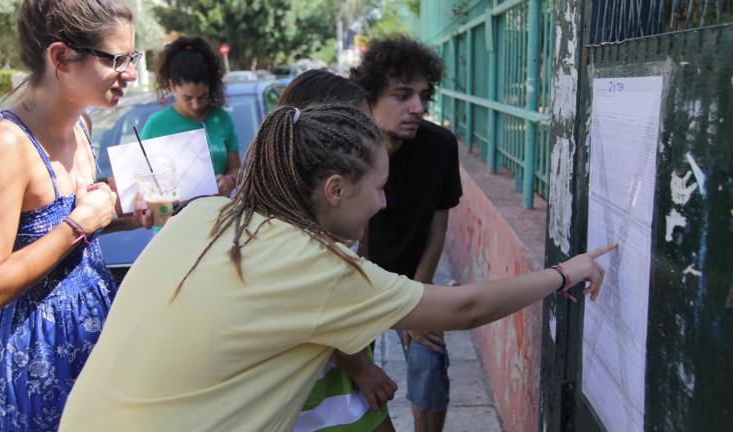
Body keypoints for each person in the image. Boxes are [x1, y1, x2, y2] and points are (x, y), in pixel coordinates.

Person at [59, 103, 615, 431]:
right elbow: (463, 308)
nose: (384, 203)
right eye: (379, 188)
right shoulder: (316, 266)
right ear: (335, 189)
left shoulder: (206, 213)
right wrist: (566, 273)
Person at [0, 0, 151, 430]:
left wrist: (119, 214)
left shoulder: (81, 125)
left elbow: (69, 229)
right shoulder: (3, 145)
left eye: (132, 57)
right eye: (117, 59)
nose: (132, 74)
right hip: (38, 358)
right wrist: (81, 224)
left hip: (90, 339)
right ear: (60, 58)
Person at [350, 35, 459, 432]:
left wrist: (417, 299)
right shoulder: (347, 150)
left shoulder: (440, 146)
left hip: (411, 279)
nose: (418, 108)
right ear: (370, 96)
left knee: (429, 359)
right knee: (354, 382)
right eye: (402, 95)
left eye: (423, 95)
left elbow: (438, 225)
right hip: (352, 285)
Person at [280, 70, 398, 432]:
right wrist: (361, 368)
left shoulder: (338, 211)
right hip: (322, 389)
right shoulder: (295, 235)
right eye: (356, 126)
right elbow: (314, 309)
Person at [140, 36, 240, 197]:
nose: (196, 105)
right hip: (174, 219)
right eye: (187, 98)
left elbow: (236, 167)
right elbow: (142, 179)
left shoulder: (222, 119)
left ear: (210, 87)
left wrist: (230, 180)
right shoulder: (155, 126)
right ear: (172, 85)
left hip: (218, 216)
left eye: (202, 96)